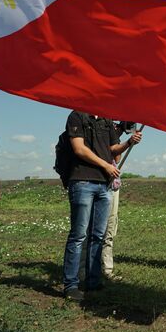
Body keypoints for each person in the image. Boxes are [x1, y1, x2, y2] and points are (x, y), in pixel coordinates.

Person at [62, 111, 141, 302]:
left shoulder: (106, 120)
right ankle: (71, 285)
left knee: (98, 235)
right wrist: (106, 165)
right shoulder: (77, 116)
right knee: (79, 234)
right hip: (82, 181)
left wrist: (129, 142)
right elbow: (79, 149)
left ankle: (93, 280)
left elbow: (113, 148)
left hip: (104, 185)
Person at [100, 122, 141, 282]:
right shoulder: (95, 125)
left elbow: (116, 157)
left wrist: (118, 138)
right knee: (91, 231)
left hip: (112, 184)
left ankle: (107, 270)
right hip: (95, 181)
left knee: (109, 229)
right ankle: (85, 270)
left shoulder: (113, 130)